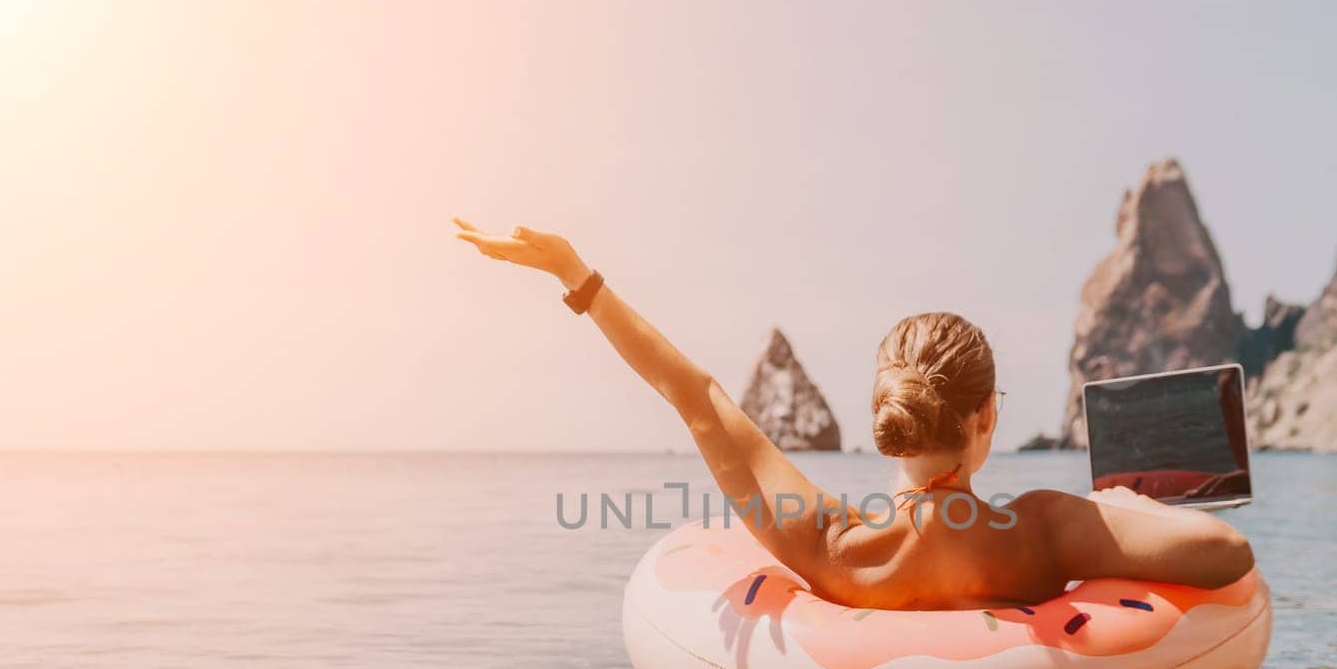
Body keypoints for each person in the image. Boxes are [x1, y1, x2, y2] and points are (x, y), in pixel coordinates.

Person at [454, 220, 1254, 611]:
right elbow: (1227, 553)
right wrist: (1123, 508)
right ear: (985, 418)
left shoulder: (829, 543)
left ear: (886, 415)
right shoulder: (1047, 529)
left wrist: (576, 275)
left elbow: (695, 399)